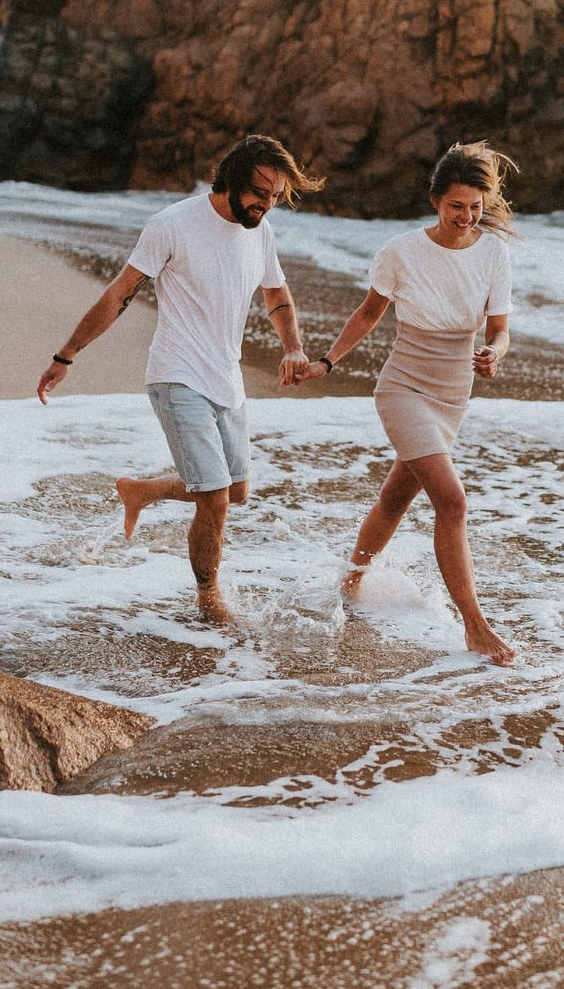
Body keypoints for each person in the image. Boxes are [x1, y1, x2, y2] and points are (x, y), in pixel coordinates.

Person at [36, 134, 321, 624]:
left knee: (235, 490)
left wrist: (292, 346)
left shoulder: (261, 231)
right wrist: (66, 354)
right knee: (214, 498)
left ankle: (143, 491)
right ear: (232, 180)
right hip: (176, 374)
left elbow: (277, 294)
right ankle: (209, 600)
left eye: (275, 196)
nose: (266, 205)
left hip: (226, 377)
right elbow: (120, 294)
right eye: (260, 193)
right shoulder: (172, 225)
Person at [297, 141, 519, 665]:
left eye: (475, 206)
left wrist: (495, 353)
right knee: (453, 501)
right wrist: (326, 362)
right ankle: (475, 626)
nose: (466, 217)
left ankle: (350, 581)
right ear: (435, 200)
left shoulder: (493, 253)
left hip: (453, 393)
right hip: (403, 387)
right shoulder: (401, 251)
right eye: (456, 206)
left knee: (396, 498)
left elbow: (501, 329)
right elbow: (368, 314)